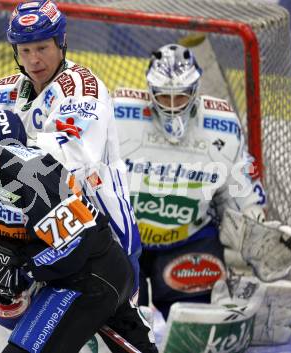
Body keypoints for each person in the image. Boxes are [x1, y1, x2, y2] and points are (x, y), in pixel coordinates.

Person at [0, 100, 157, 353]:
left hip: (93, 274)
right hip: (49, 281)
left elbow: (76, 245)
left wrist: (19, 265)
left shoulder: (29, 171)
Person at [0, 0, 141, 297]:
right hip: (30, 229)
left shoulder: (83, 87)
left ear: (61, 42)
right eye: (25, 51)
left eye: (42, 48)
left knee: (113, 332)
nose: (33, 60)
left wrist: (10, 148)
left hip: (99, 224)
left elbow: (72, 156)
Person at [111, 44, 267, 319]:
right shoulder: (118, 115)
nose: (172, 107)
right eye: (164, 96)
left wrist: (255, 219)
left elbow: (239, 187)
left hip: (191, 242)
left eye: (180, 96)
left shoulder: (223, 126)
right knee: (119, 321)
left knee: (196, 323)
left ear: (195, 90)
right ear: (150, 91)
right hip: (125, 240)